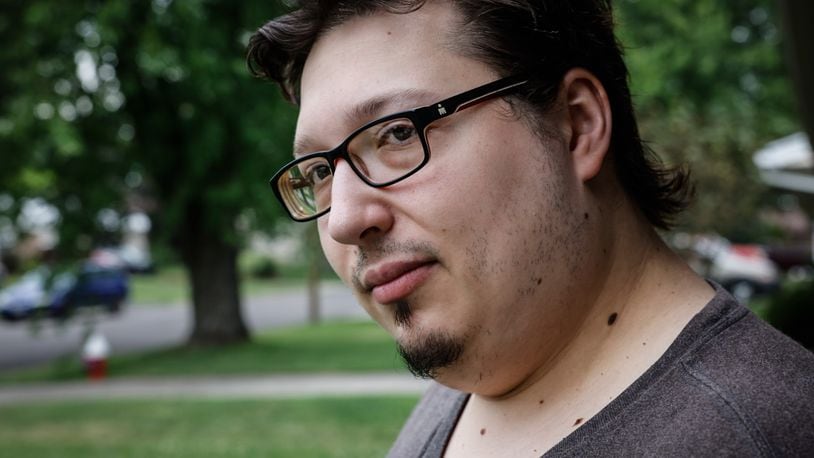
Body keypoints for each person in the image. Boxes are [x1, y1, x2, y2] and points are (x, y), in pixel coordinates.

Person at [247, 1, 814, 456]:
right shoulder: (476, 386)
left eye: (397, 135)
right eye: (320, 171)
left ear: (577, 125)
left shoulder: (761, 431)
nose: (344, 219)